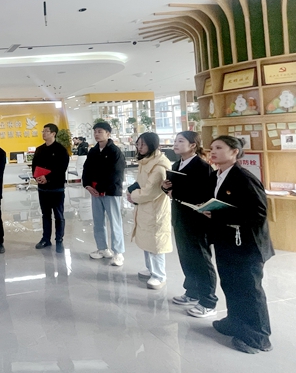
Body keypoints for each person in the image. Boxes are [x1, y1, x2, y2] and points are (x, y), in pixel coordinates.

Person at [205, 136, 274, 354]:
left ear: (235, 152)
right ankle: (234, 321)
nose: (213, 151)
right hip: (227, 242)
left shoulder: (244, 178)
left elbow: (259, 213)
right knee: (231, 283)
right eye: (212, 148)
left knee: (249, 289)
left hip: (247, 245)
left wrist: (219, 214)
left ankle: (258, 336)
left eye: (219, 148)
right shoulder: (218, 175)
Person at [161, 131, 217, 317]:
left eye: (180, 141)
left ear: (193, 145)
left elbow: (204, 194)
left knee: (201, 259)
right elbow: (172, 189)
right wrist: (166, 187)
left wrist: (176, 192)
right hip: (180, 217)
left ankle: (208, 301)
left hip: (196, 220)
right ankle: (192, 292)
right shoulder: (177, 165)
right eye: (175, 141)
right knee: (186, 257)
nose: (175, 144)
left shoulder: (202, 167)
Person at [127, 132, 172, 290]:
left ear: (152, 145)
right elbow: (141, 183)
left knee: (156, 243)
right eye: (138, 144)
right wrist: (131, 192)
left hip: (155, 208)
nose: (139, 147)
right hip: (144, 207)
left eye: (143, 144)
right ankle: (150, 268)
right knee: (146, 239)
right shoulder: (146, 161)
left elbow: (150, 191)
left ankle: (159, 275)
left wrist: (133, 196)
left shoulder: (159, 165)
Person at [82, 121, 126, 266]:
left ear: (108, 133)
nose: (96, 134)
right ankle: (102, 248)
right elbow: (86, 169)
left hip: (110, 192)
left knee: (115, 221)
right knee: (98, 221)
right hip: (95, 192)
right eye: (95, 131)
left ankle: (118, 252)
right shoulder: (93, 151)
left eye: (100, 131)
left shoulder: (115, 151)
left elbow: (116, 174)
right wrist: (88, 185)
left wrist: (101, 188)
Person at [32, 123, 70, 253]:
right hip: (42, 189)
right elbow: (34, 166)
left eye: (46, 131)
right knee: (45, 214)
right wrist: (37, 177)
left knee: (58, 215)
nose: (43, 133)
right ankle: (45, 239)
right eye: (43, 131)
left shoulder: (61, 150)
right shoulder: (39, 150)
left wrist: (47, 178)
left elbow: (61, 168)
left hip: (56, 188)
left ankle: (59, 239)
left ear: (53, 133)